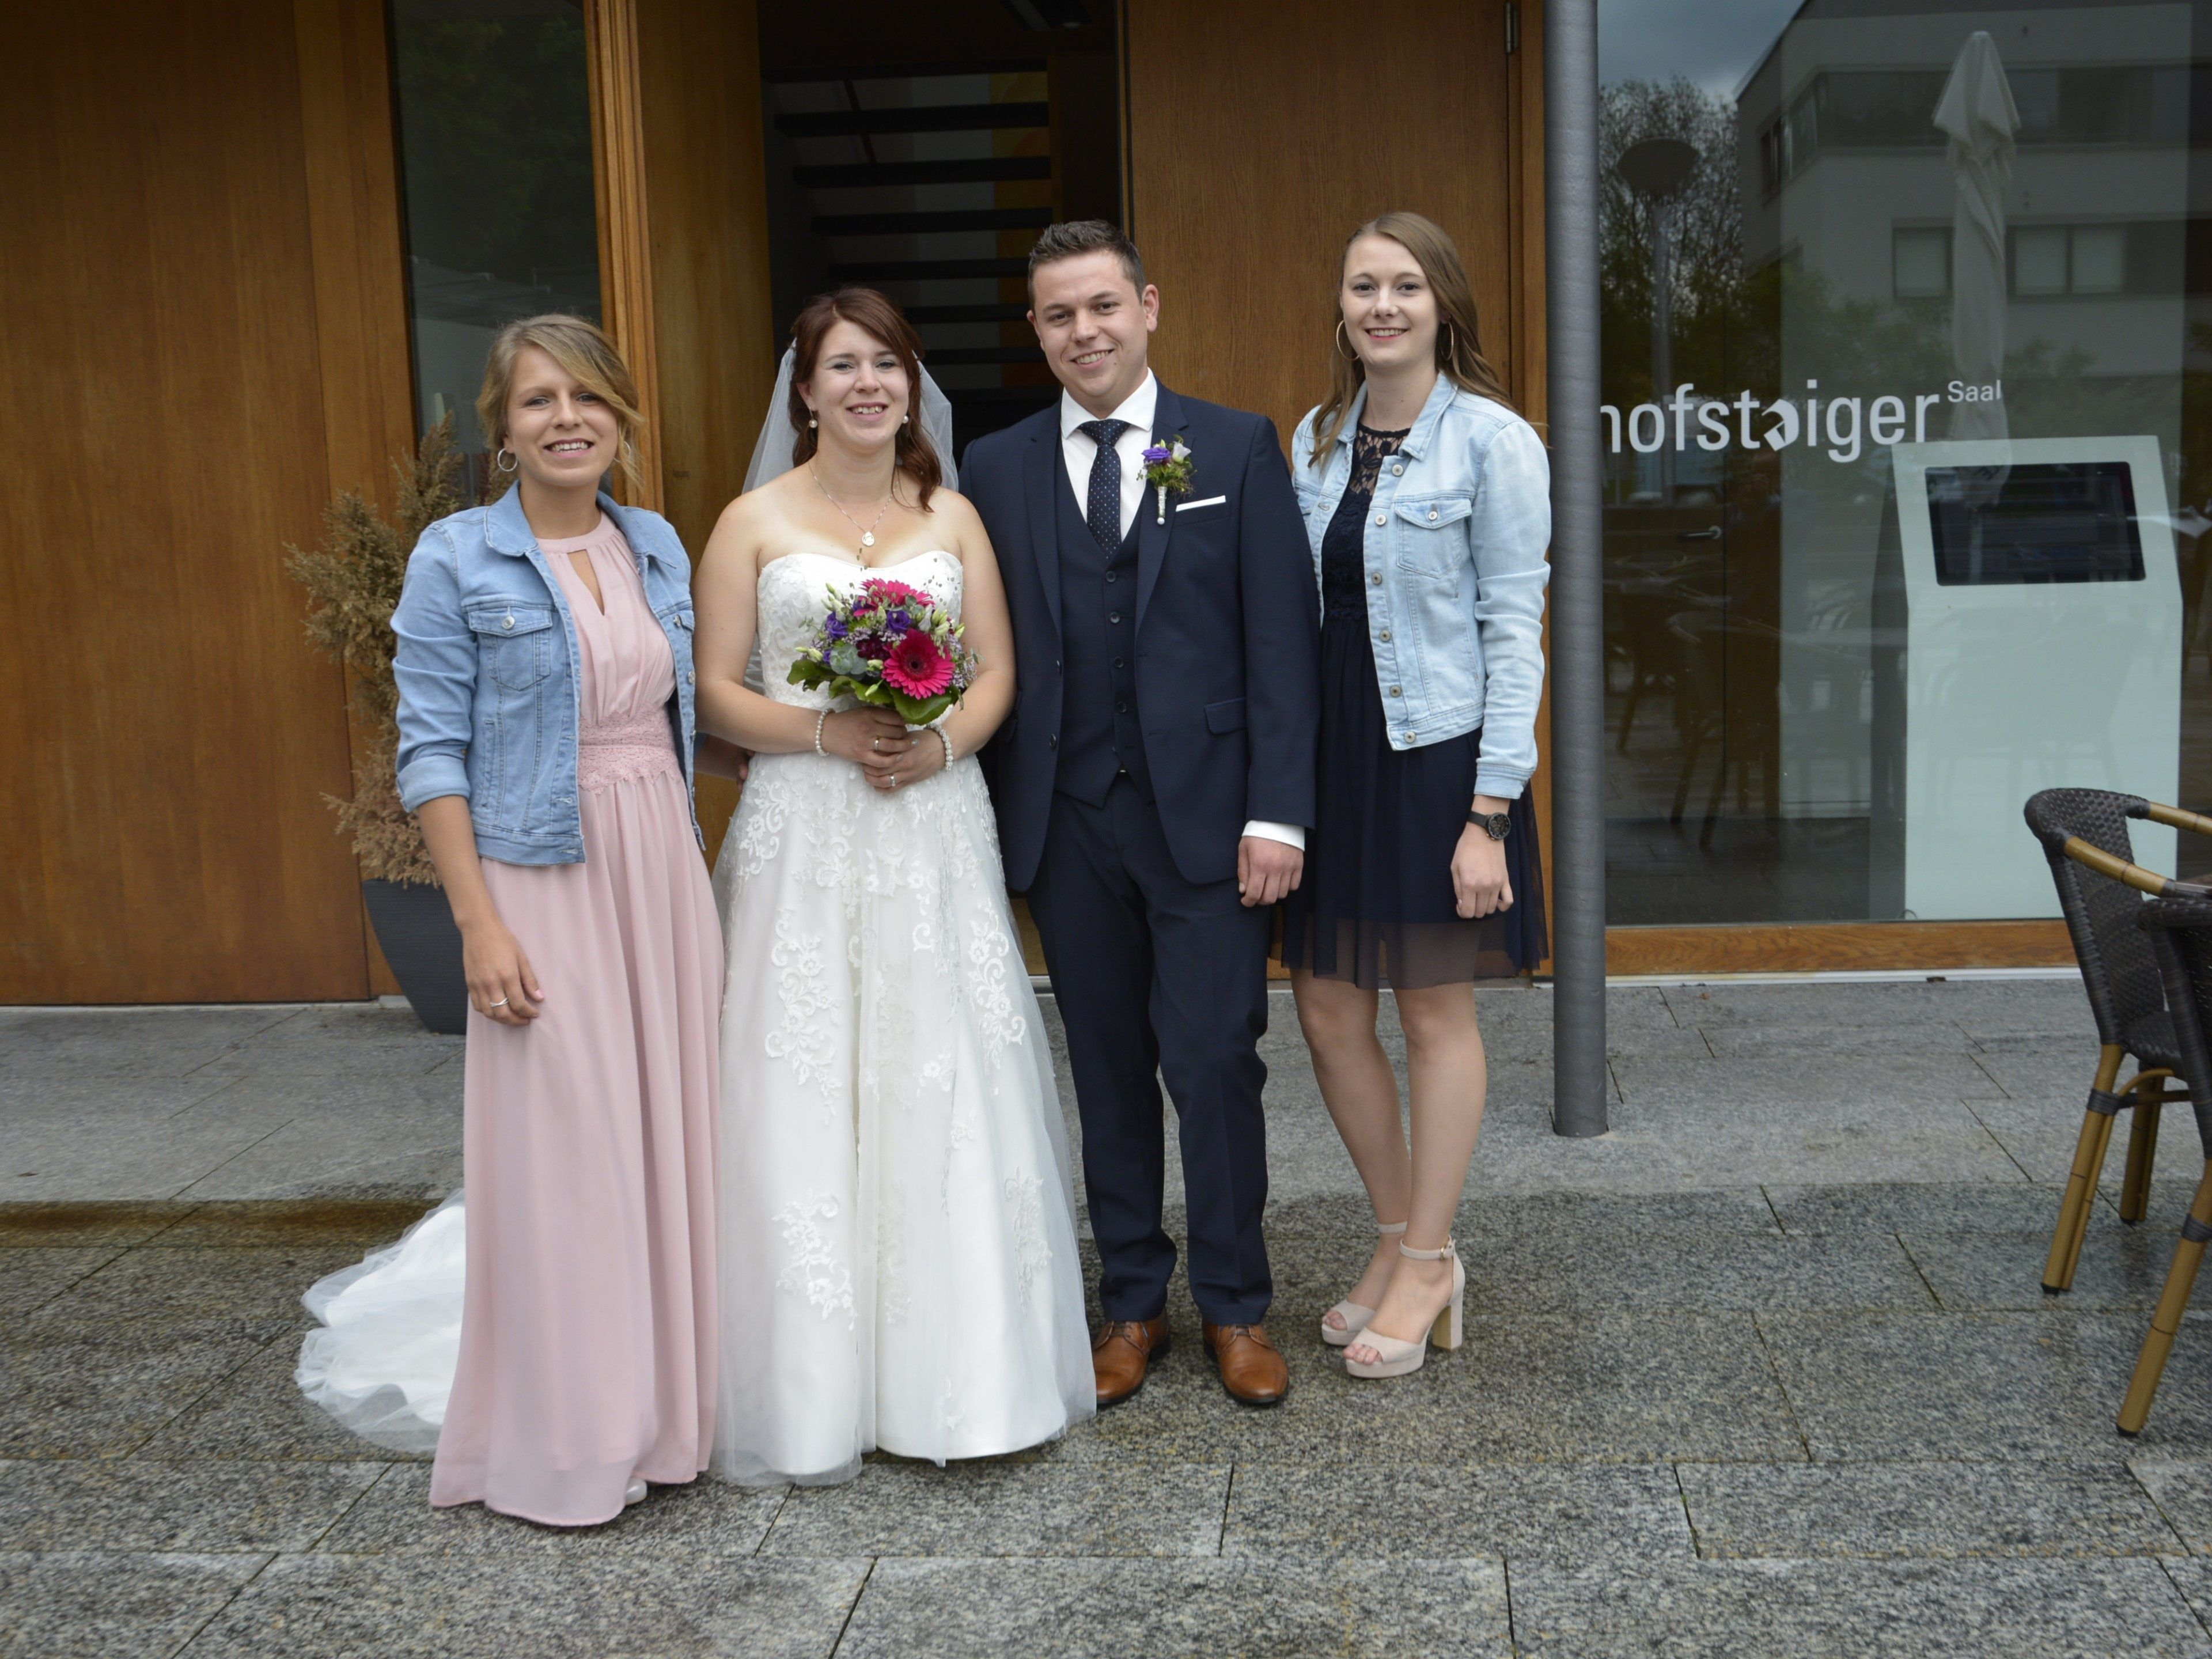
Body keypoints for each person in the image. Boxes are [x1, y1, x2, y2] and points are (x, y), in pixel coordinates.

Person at [311, 315, 724, 1524]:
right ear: (501, 426)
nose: (567, 420)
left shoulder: (653, 543)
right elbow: (429, 752)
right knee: (568, 1163)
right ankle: (568, 1444)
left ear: (621, 419)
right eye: (539, 401)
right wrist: (478, 927)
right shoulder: (457, 558)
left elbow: (684, 718)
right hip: (540, 870)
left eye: (588, 398)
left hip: (660, 868)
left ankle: (663, 1420)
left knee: (664, 1149)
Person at [692, 287, 1093, 1485]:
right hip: (806, 827)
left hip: (929, 820)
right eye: (843, 365)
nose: (869, 384)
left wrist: (937, 744)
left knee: (940, 1069)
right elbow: (714, 690)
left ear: (912, 386)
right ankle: (807, 1389)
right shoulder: (749, 523)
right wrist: (825, 737)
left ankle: (960, 1380)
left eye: (889, 364)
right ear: (803, 391)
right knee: (800, 1069)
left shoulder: (954, 518)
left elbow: (999, 673)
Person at [960, 222, 1321, 1409]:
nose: (1086, 332)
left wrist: (1280, 813)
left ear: (1148, 306)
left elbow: (1282, 646)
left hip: (1215, 823)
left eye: (1103, 306)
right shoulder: (997, 465)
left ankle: (1235, 1306)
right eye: (1059, 316)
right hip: (1068, 819)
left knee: (1217, 1062)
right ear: (1037, 332)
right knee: (1106, 1068)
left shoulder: (1233, 445)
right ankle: (1128, 1304)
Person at [1283, 213, 1549, 1380]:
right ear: (1340, 309)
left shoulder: (1494, 442)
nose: (1381, 306)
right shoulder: (1318, 436)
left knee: (1435, 1010)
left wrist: (1489, 813)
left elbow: (1513, 630)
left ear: (1442, 304)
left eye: (1403, 286)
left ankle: (1436, 1255)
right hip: (1336, 755)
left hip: (1438, 756)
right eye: (1361, 287)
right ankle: (1398, 1242)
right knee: (1330, 1006)